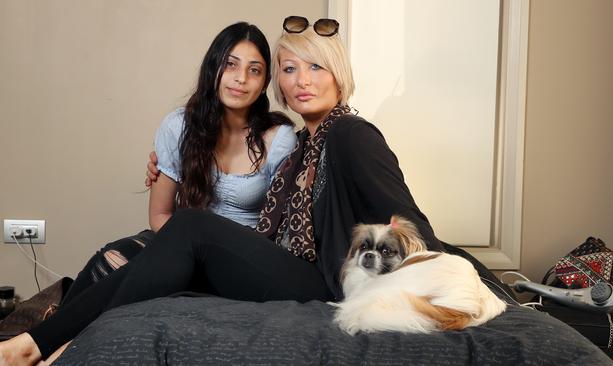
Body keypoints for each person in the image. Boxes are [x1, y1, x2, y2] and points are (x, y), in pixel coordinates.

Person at [0, 16, 445, 365]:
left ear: (339, 75)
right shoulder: (309, 140)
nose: (302, 80)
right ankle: (56, 344)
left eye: (316, 67)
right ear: (281, 87)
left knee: (193, 225)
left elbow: (407, 220)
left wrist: (463, 280)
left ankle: (35, 344)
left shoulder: (349, 134)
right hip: (287, 262)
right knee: (120, 257)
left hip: (325, 281)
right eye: (289, 70)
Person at [58, 21, 296, 306]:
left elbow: (280, 232)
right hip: (182, 246)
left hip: (242, 260)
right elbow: (159, 216)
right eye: (230, 65)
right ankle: (54, 334)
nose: (241, 78)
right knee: (110, 260)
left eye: (254, 70)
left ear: (264, 83)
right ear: (213, 68)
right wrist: (184, 257)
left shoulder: (278, 139)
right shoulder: (179, 126)